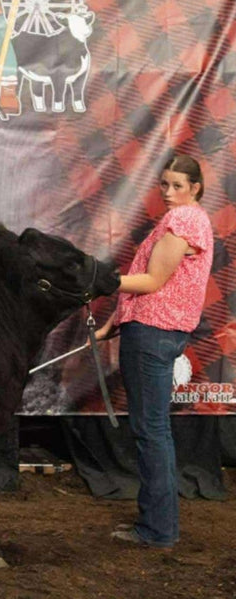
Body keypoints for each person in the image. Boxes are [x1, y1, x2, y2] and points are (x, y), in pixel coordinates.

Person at [97, 155, 213, 548]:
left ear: (195, 187)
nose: (168, 192)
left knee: (151, 430)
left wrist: (103, 281)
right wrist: (115, 323)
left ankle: (157, 529)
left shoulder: (184, 221)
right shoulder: (186, 219)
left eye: (177, 185)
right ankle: (158, 524)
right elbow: (159, 285)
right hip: (152, 330)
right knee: (153, 429)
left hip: (153, 334)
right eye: (163, 184)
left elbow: (153, 280)